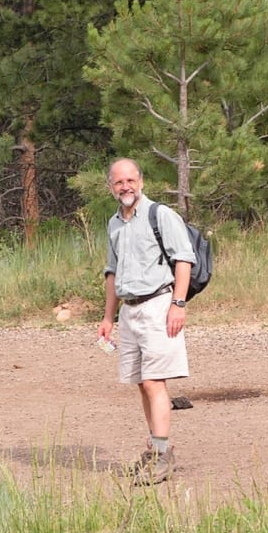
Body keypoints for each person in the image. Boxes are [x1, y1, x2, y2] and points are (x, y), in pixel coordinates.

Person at [97, 158, 196, 485]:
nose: (125, 186)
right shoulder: (114, 223)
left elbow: (184, 259)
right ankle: (156, 449)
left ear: (141, 180)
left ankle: (163, 454)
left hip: (158, 306)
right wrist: (108, 317)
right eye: (118, 182)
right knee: (142, 381)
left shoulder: (161, 215)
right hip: (129, 311)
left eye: (130, 180)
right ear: (110, 186)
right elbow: (111, 273)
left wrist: (177, 304)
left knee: (155, 381)